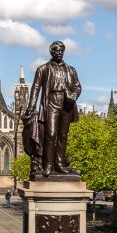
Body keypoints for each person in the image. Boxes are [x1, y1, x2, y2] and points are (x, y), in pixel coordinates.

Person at [21, 40, 82, 177]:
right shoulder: (43, 69)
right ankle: (48, 165)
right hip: (51, 102)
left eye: (61, 51)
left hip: (67, 103)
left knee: (63, 135)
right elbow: (36, 87)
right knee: (51, 134)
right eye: (57, 51)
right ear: (51, 52)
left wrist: (74, 94)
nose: (59, 53)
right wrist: (31, 106)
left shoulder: (71, 70)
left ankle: (59, 164)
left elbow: (78, 86)